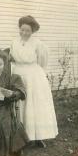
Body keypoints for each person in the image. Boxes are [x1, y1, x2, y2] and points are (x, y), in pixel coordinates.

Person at [10, 15, 58, 146]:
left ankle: (37, 136)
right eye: (22, 29)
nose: (24, 33)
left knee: (34, 105)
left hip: (33, 76)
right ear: (19, 28)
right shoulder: (14, 42)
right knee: (20, 104)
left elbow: (42, 61)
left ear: (32, 31)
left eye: (28, 31)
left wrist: (36, 73)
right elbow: (12, 58)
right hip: (18, 74)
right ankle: (21, 135)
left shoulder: (37, 43)